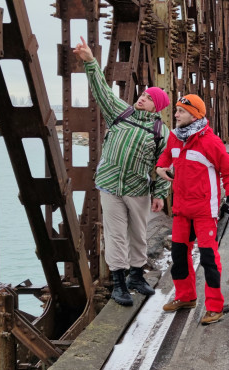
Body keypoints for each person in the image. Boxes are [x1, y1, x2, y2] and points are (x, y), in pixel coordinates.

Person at [73, 36, 171, 306]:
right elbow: (102, 90)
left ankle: (136, 277)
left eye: (149, 98)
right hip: (109, 185)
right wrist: (91, 62)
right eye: (143, 94)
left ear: (157, 107)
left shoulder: (161, 131)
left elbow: (164, 164)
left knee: (138, 234)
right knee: (115, 234)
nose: (142, 98)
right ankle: (119, 284)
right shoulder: (121, 112)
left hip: (137, 188)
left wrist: (160, 192)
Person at [155, 94, 229, 325]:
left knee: (209, 259)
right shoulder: (174, 138)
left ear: (194, 115)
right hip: (181, 209)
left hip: (204, 210)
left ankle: (214, 306)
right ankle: (185, 297)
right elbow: (164, 159)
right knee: (179, 256)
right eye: (177, 110)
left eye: (181, 111)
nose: (176, 114)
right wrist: (161, 169)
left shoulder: (210, 142)